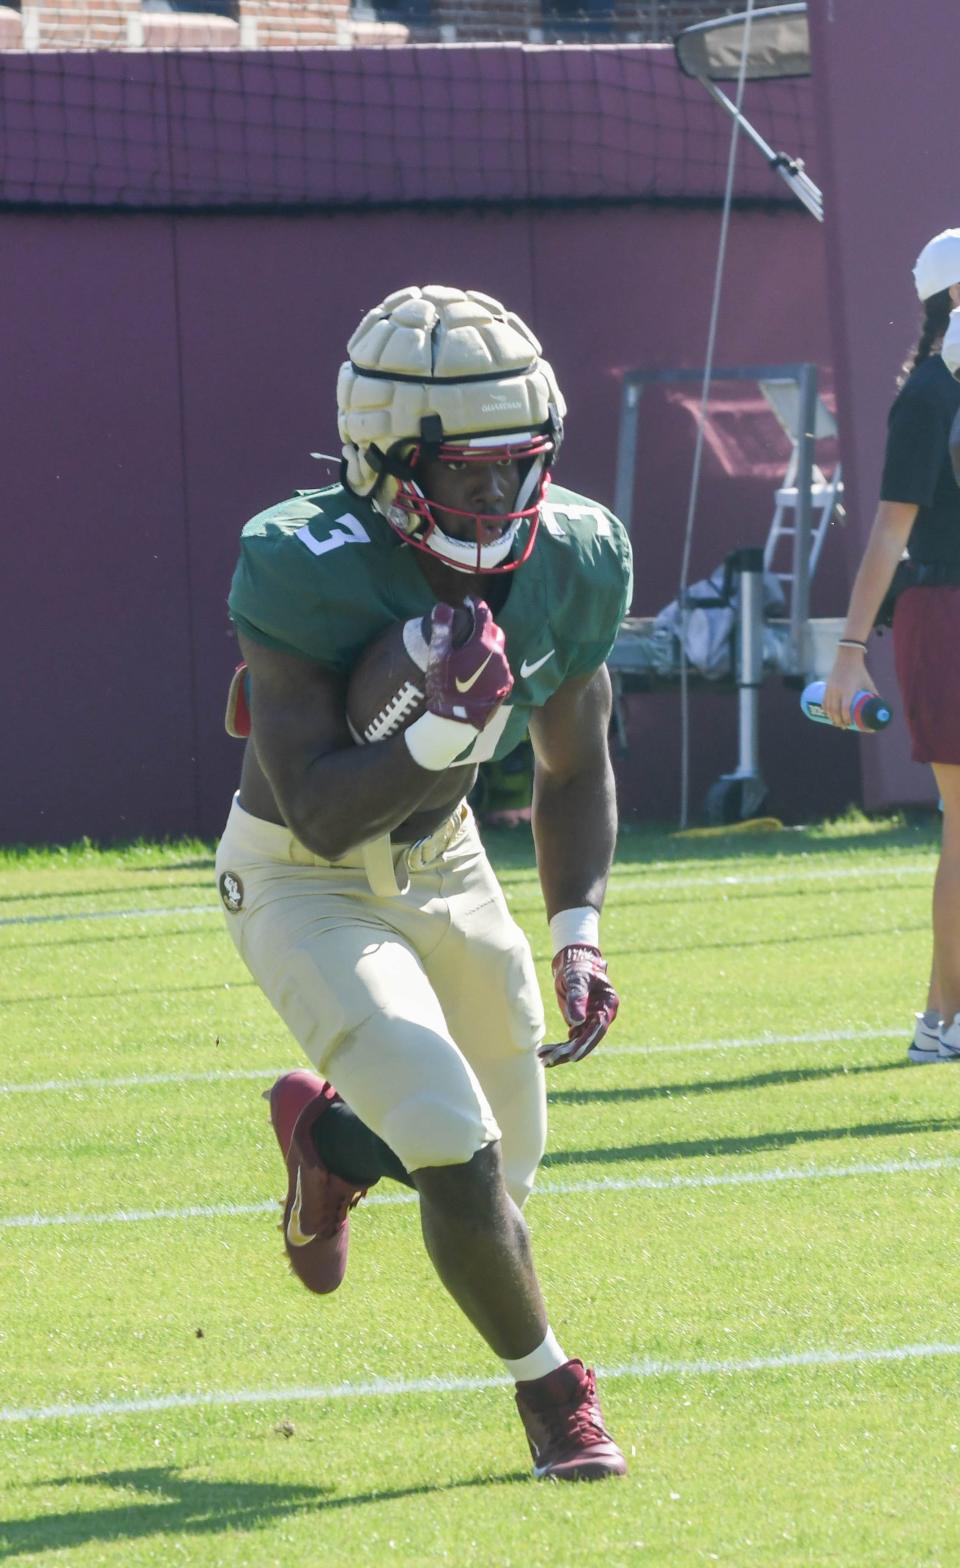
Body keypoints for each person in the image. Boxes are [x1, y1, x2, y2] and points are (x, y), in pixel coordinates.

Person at [215, 284, 633, 1480]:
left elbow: (572, 760)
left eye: (522, 466)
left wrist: (581, 929)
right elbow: (320, 803)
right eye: (473, 471)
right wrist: (437, 738)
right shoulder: (303, 559)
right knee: (453, 1139)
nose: (503, 500)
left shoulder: (577, 555)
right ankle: (555, 1396)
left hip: (446, 858)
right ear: (386, 462)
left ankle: (334, 1143)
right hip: (304, 873)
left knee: (507, 1152)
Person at [823, 229, 960, 1065]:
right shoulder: (928, 398)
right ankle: (942, 1020)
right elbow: (888, 534)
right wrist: (847, 649)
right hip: (944, 611)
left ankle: (939, 1020)